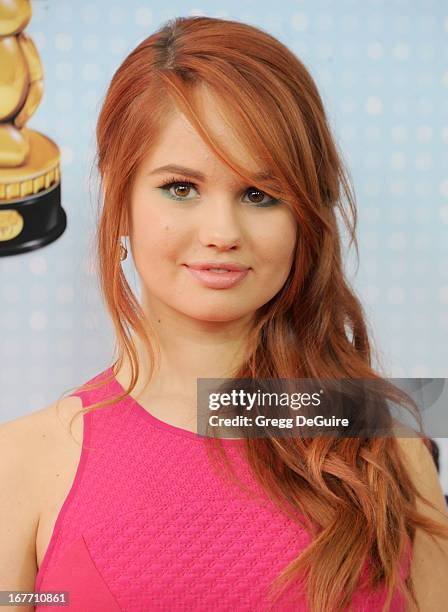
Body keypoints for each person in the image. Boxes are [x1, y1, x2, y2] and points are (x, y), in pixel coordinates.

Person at [1, 15, 447, 612]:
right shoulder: (20, 461)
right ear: (118, 192)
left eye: (259, 195)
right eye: (181, 187)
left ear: (304, 215)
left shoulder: (384, 439)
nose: (222, 233)